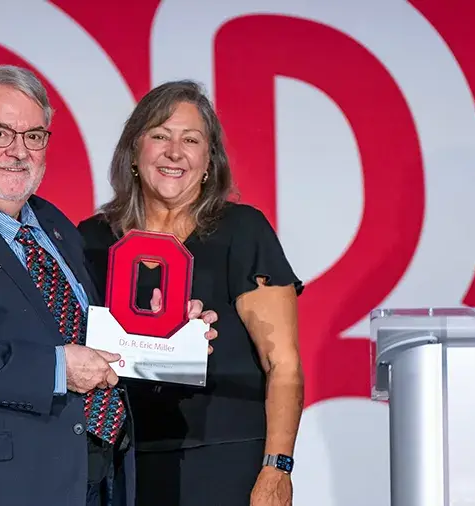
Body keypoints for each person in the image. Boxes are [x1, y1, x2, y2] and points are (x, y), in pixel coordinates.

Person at [0, 65, 218, 506]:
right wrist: (56, 369)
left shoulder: (53, 224)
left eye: (33, 135)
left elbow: (92, 342)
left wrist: (164, 337)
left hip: (93, 479)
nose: (18, 151)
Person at [77, 80, 305, 506]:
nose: (174, 152)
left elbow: (284, 364)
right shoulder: (90, 240)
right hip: (121, 462)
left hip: (225, 458)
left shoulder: (243, 231)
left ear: (207, 161)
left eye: (190, 140)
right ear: (133, 152)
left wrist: (277, 468)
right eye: (160, 136)